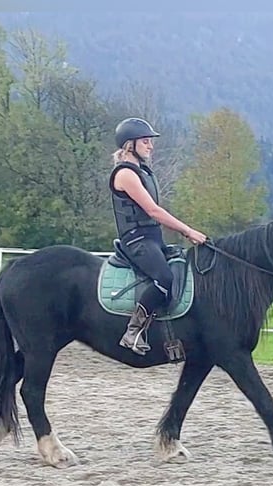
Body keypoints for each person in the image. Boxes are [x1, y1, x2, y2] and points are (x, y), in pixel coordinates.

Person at [109, 117, 207, 355]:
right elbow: (152, 210)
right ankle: (133, 332)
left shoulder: (143, 171)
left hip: (153, 237)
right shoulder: (125, 174)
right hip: (137, 240)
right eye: (145, 142)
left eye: (150, 142)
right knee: (164, 277)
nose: (151, 146)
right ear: (130, 145)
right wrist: (187, 230)